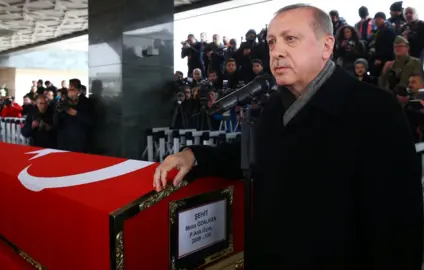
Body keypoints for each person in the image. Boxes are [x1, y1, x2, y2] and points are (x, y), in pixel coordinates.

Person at [153, 4, 423, 270]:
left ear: (326, 46)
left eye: (290, 39)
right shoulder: (274, 109)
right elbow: (251, 151)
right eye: (271, 42)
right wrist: (194, 155)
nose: (277, 51)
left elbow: (398, 228)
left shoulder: (375, 111)